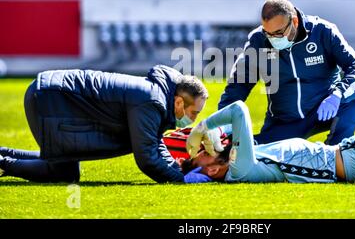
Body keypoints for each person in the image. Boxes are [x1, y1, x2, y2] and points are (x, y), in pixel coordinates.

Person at [183, 78, 355, 183]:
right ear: (213, 170)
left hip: (349, 155)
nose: (203, 147)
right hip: (354, 159)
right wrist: (202, 127)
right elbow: (239, 108)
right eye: (200, 154)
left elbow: (233, 126)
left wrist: (212, 135)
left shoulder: (239, 161)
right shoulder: (239, 168)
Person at [0, 65, 210, 184]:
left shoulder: (158, 96)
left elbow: (153, 142)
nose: (193, 120)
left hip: (50, 95)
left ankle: (3, 157)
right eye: (194, 113)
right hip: (51, 99)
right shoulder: (152, 102)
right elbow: (147, 158)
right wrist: (182, 180)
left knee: (63, 168)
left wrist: (176, 168)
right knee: (62, 172)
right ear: (179, 102)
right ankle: (3, 162)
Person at [219, 0, 355, 145]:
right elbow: (238, 86)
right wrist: (222, 127)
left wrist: (338, 95)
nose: (273, 38)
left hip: (323, 110)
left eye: (278, 33)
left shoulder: (322, 31)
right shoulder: (258, 40)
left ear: (295, 22)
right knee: (250, 155)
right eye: (268, 33)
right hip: (284, 122)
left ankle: (336, 154)